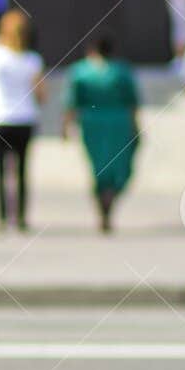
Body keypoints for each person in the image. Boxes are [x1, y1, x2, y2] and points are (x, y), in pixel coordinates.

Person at [0, 9, 46, 233]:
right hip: (24, 118)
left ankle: (2, 218)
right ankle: (22, 218)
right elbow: (41, 95)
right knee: (22, 171)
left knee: (0, 172)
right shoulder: (32, 59)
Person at [63, 37, 140, 233]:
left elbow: (71, 103)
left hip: (92, 124)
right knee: (119, 168)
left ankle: (103, 205)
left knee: (99, 168)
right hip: (118, 123)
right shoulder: (121, 71)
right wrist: (136, 127)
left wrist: (66, 125)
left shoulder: (80, 71)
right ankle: (108, 204)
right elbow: (132, 102)